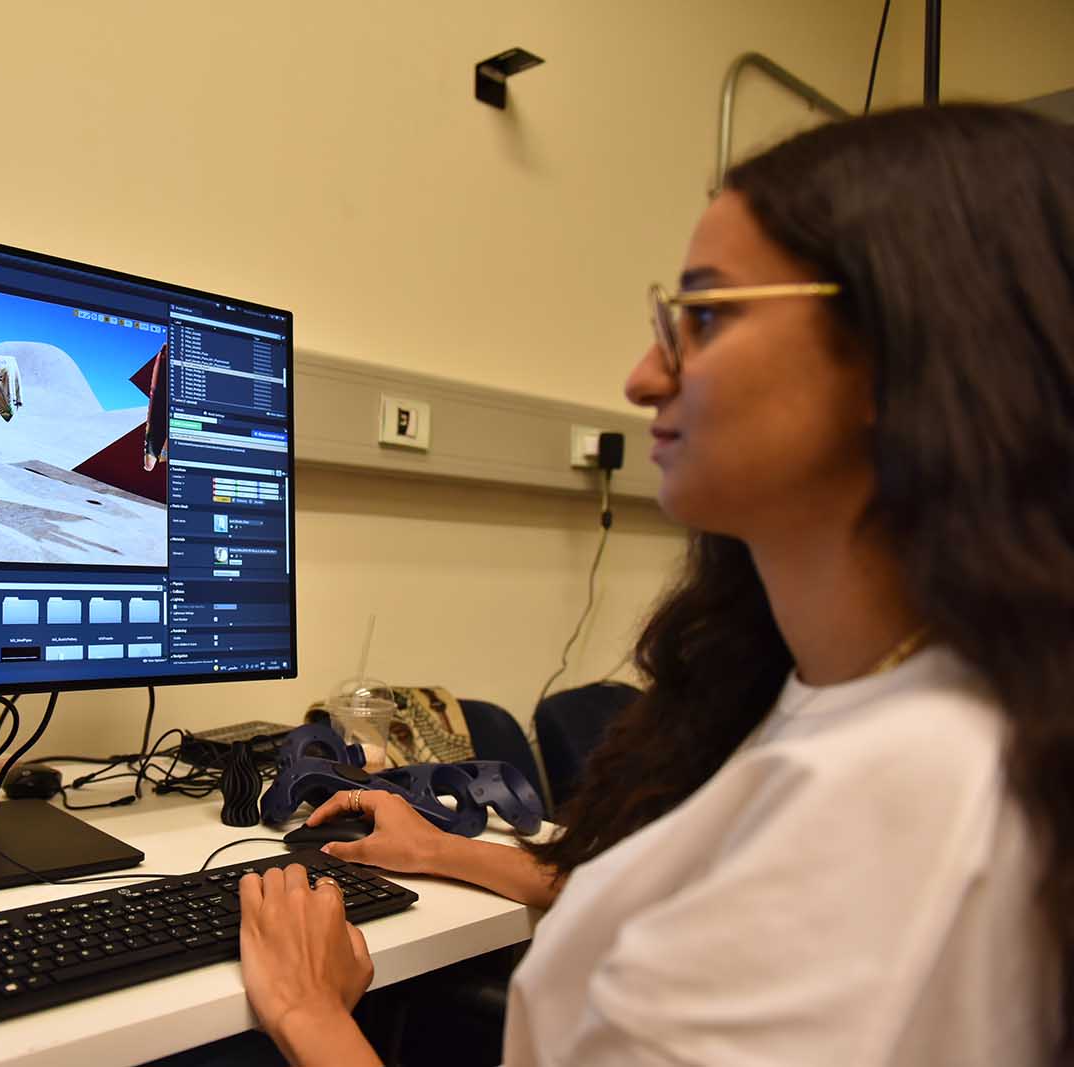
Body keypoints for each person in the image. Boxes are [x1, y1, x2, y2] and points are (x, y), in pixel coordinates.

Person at [237, 104, 1074, 1066]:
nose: (642, 377)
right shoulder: (892, 693)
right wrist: (446, 851)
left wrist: (312, 1013)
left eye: (705, 317)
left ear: (912, 344)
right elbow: (699, 881)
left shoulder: (889, 806)